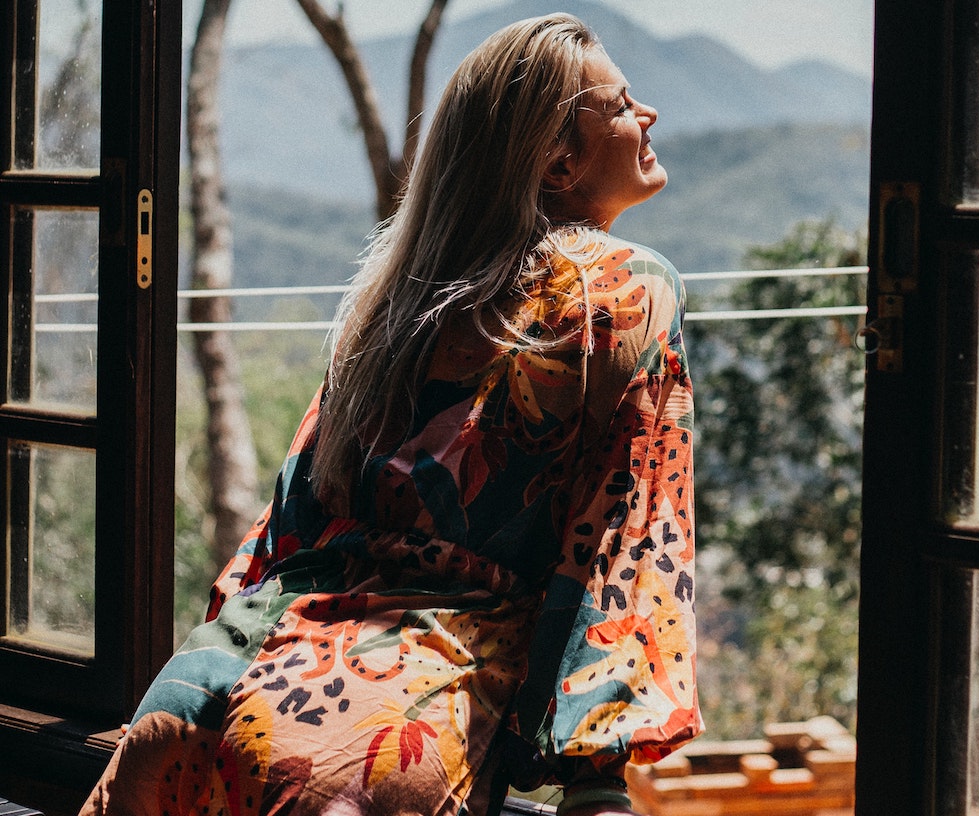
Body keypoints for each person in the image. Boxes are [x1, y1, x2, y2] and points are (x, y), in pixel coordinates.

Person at [82, 13, 701, 816]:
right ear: (557, 160)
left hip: (213, 687)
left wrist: (222, 653)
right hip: (386, 714)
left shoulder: (392, 303)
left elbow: (293, 517)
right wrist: (592, 767)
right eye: (619, 105)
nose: (646, 114)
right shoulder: (620, 289)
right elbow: (628, 532)